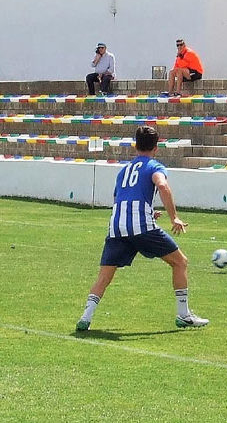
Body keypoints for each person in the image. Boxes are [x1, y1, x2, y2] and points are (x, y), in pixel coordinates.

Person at [76, 126, 209, 331]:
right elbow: (162, 186)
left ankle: (85, 317)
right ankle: (184, 315)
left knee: (105, 275)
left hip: (117, 226)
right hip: (141, 226)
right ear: (156, 148)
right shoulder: (154, 166)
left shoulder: (123, 171)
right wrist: (174, 217)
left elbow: (121, 198)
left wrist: (147, 211)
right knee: (180, 262)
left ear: (135, 146)